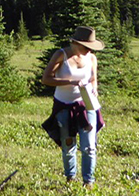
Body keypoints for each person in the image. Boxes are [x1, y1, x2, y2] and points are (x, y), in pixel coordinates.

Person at [40, 26, 105, 187]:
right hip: (63, 105)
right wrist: (70, 82)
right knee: (68, 144)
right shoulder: (60, 55)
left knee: (89, 146)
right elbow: (46, 79)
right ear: (76, 43)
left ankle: (88, 181)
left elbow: (93, 79)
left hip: (86, 105)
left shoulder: (91, 58)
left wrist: (94, 89)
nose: (88, 50)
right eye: (86, 47)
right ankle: (70, 177)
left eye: (91, 48)